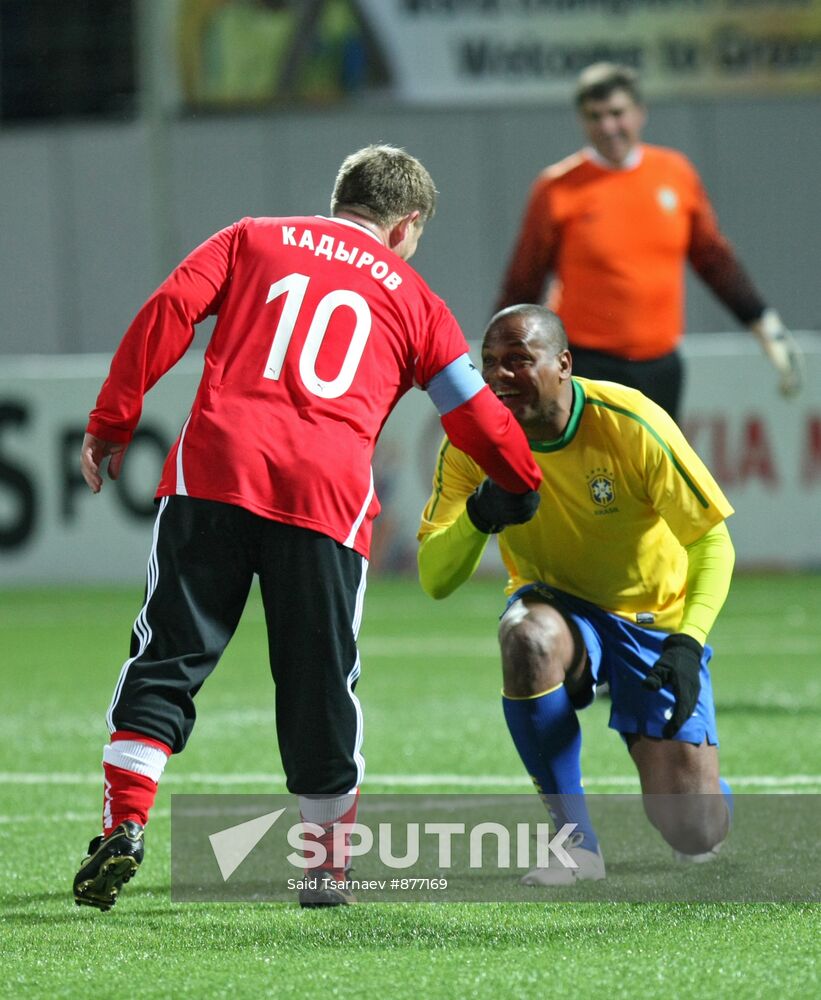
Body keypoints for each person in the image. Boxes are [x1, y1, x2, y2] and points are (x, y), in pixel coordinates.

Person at [72, 145, 542, 911]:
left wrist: (112, 417)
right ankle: (324, 868)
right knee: (320, 681)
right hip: (325, 494)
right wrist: (522, 479)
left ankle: (123, 824)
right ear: (406, 223)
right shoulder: (417, 300)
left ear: (341, 197)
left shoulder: (251, 237)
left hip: (215, 474)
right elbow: (472, 415)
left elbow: (169, 312)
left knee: (168, 657)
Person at [417, 304, 736, 884]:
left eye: (519, 359)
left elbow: (713, 544)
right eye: (489, 363)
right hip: (558, 604)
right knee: (526, 638)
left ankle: (699, 778)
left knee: (695, 830)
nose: (499, 376)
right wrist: (479, 515)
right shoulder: (470, 442)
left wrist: (688, 642)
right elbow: (435, 577)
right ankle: (576, 846)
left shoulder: (631, 421)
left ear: (563, 364)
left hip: (652, 619)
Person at [495, 61, 803, 422]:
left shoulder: (675, 173)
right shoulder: (556, 188)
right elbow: (523, 281)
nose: (608, 127)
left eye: (617, 113)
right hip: (585, 364)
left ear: (640, 113)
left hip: (661, 366)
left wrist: (765, 326)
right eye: (595, 116)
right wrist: (499, 361)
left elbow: (714, 260)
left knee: (648, 475)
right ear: (582, 120)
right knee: (595, 476)